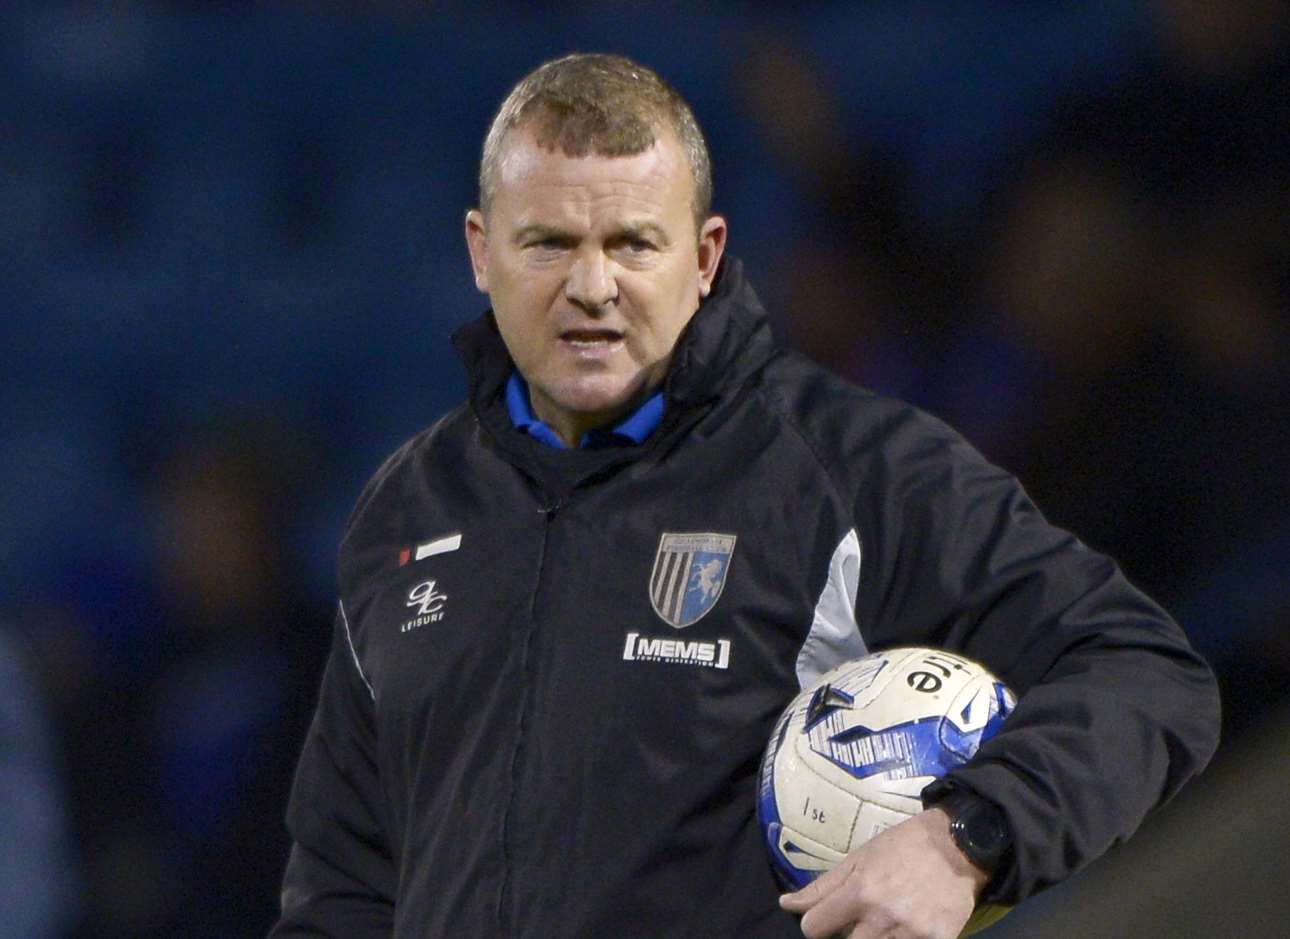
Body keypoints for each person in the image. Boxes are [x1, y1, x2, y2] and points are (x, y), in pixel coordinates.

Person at [269, 54, 1220, 939]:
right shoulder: (409, 506)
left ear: (706, 255)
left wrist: (962, 838)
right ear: (482, 252)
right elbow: (345, 877)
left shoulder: (852, 471)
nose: (592, 285)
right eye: (549, 242)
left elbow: (1144, 671)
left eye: (634, 243)